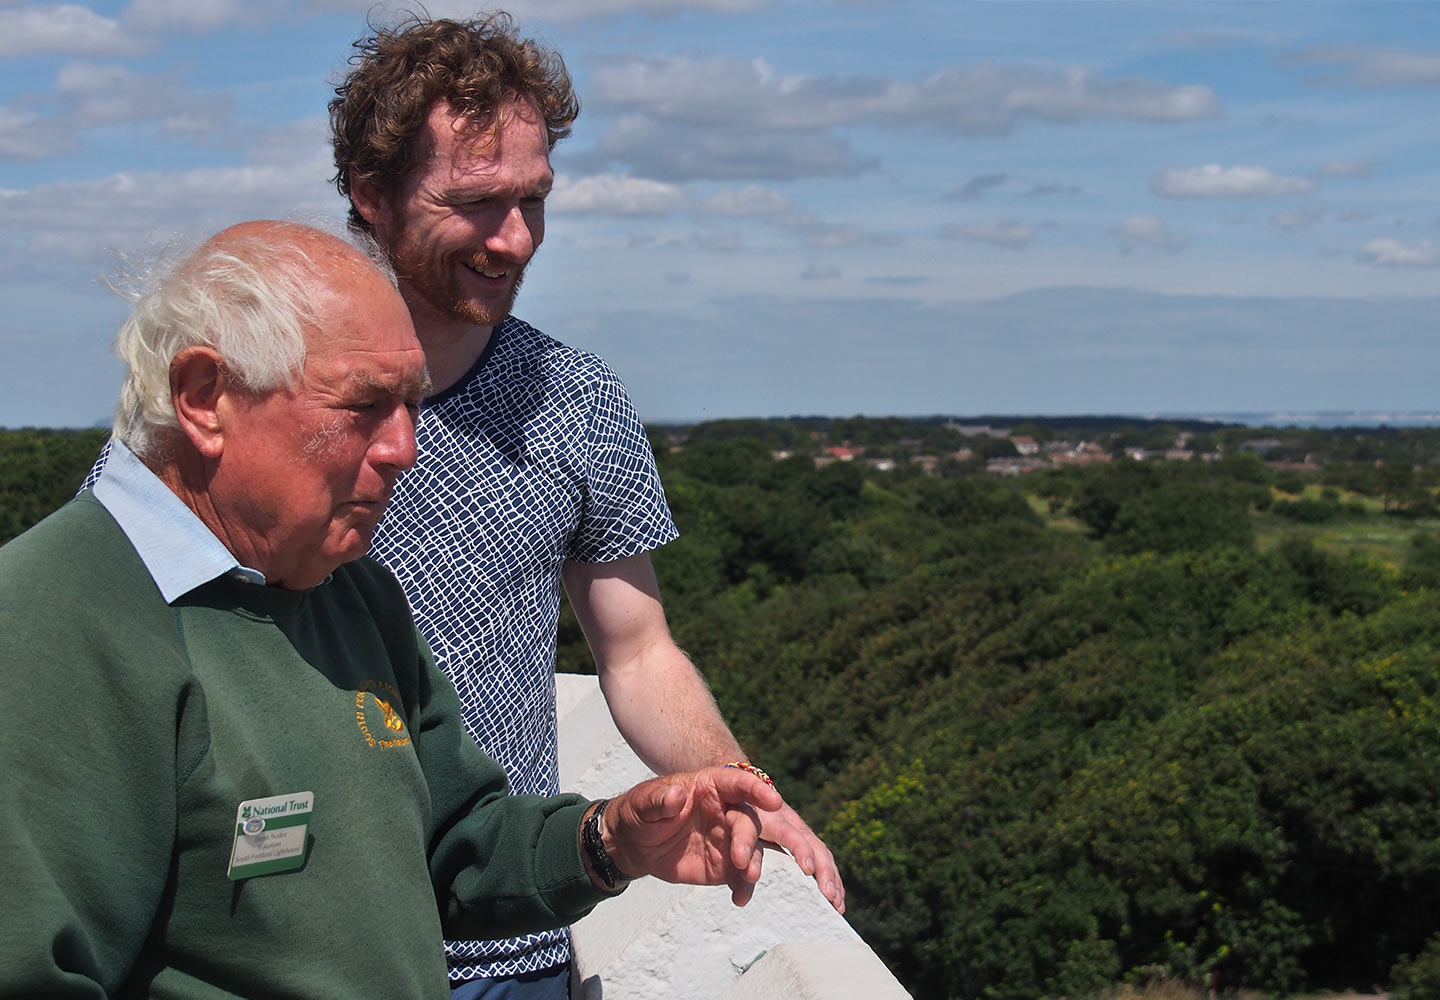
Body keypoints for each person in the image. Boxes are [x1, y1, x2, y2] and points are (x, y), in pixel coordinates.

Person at [0, 221, 785, 999]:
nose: (404, 447)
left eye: (410, 404)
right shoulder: (53, 621)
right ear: (205, 398)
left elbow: (454, 847)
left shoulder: (348, 591)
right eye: (365, 405)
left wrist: (610, 840)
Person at [327, 12, 846, 996]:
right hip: (312, 949)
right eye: (478, 202)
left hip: (513, 940)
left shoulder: (577, 398)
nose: (515, 239)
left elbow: (637, 650)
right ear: (371, 197)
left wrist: (740, 788)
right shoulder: (263, 389)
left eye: (535, 199)